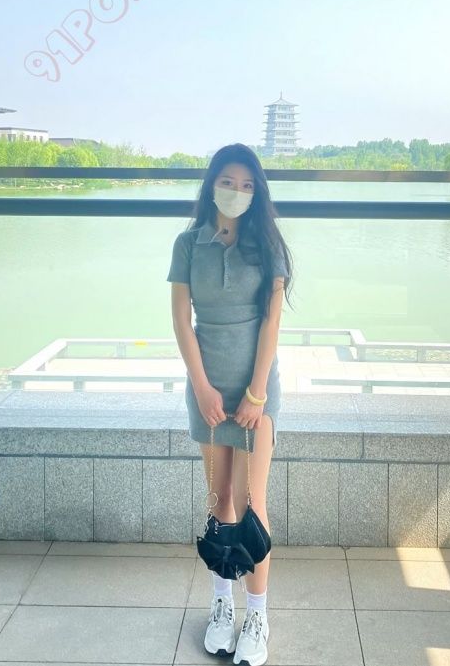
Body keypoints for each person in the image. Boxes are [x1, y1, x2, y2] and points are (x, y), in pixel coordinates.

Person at [166, 143, 293, 666]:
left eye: (246, 185)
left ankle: (257, 614)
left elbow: (272, 322)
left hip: (256, 391)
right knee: (219, 500)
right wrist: (201, 387)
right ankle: (222, 605)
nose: (236, 192)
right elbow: (181, 319)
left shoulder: (269, 244)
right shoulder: (186, 243)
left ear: (256, 192)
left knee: (251, 504)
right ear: (212, 185)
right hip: (208, 391)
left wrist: (257, 393)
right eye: (228, 182)